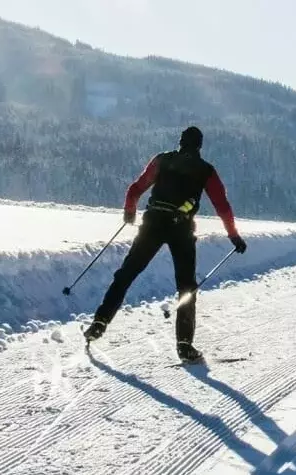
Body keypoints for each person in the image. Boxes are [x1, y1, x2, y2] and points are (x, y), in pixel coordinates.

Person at [85, 126, 246, 363]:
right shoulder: (206, 170)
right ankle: (184, 345)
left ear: (180, 142)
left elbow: (135, 188)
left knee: (127, 274)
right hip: (181, 229)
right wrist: (233, 236)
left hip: (153, 223)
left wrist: (130, 212)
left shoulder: (162, 160)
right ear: (200, 146)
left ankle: (100, 322)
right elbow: (222, 204)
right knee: (186, 286)